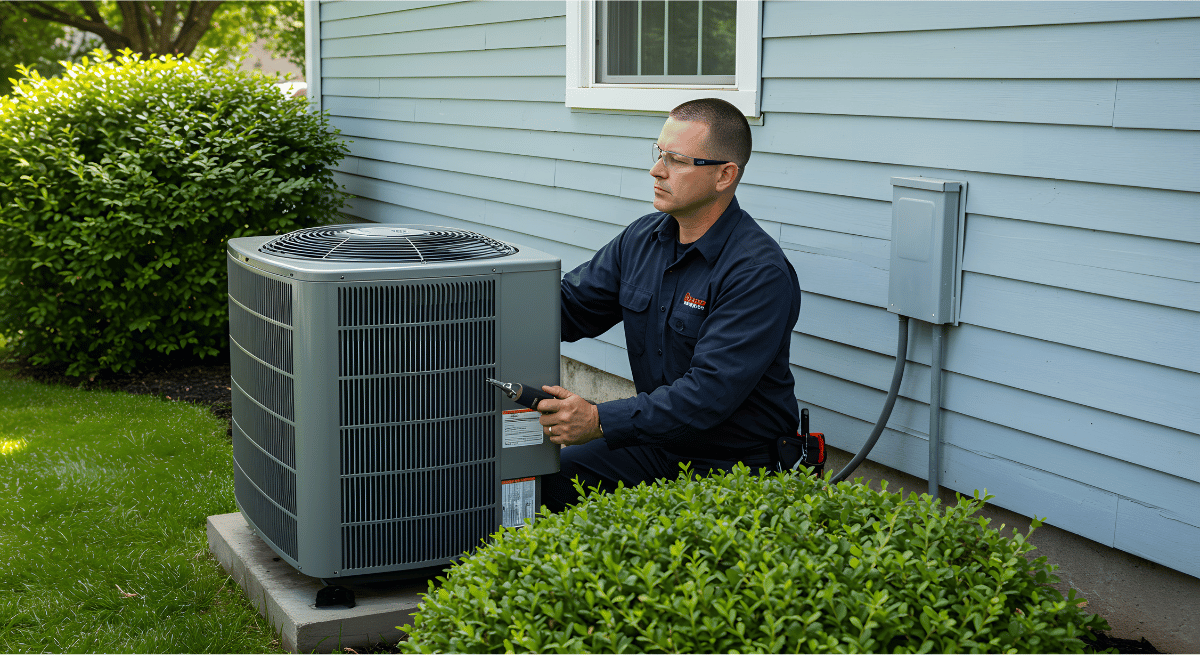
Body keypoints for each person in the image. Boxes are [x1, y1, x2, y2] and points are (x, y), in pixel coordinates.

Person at [536, 98, 802, 513]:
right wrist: (486, 312)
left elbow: (707, 394)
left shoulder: (757, 272)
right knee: (543, 480)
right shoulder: (643, 239)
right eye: (659, 154)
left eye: (676, 159)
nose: (656, 170)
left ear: (724, 175)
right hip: (659, 443)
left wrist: (599, 420)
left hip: (735, 466)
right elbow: (570, 308)